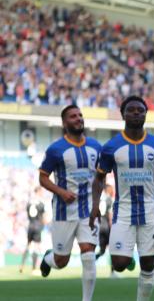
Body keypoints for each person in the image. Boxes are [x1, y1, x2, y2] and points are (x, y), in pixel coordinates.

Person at [89, 95, 154, 301]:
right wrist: (95, 205)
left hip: (150, 211)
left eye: (140, 110)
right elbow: (99, 179)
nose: (136, 113)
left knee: (148, 265)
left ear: (146, 114)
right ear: (123, 115)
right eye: (131, 110)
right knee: (118, 264)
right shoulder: (111, 147)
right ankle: (127, 259)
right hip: (123, 211)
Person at [38, 104, 101, 301]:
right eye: (73, 116)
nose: (78, 118)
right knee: (61, 261)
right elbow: (43, 177)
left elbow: (100, 178)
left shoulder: (95, 147)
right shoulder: (56, 149)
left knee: (88, 254)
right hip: (63, 212)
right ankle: (49, 258)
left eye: (80, 115)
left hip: (88, 211)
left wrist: (98, 204)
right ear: (65, 123)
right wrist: (61, 192)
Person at [95, 184, 134, 277]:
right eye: (111, 189)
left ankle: (90, 261)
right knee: (114, 249)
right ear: (107, 190)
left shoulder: (100, 198)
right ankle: (113, 272)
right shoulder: (108, 199)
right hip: (107, 227)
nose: (113, 191)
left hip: (100, 227)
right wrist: (112, 226)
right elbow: (109, 214)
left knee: (103, 251)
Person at [19, 186, 46, 275]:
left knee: (28, 245)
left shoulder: (29, 203)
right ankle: (34, 268)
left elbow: (28, 214)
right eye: (41, 191)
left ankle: (22, 265)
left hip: (30, 226)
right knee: (36, 247)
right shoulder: (41, 203)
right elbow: (43, 218)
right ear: (38, 192)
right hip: (37, 226)